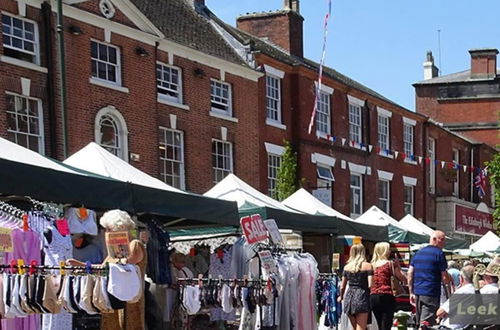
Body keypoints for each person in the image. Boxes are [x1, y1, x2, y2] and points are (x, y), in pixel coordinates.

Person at [67, 210, 147, 330]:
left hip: (128, 296)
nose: (106, 233)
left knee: (129, 324)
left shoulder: (134, 244)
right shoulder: (113, 252)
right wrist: (82, 265)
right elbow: (104, 270)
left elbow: (123, 267)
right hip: (111, 295)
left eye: (109, 229)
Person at [408, 230, 450, 328]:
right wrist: (449, 282)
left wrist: (411, 292)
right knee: (426, 324)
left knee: (419, 321)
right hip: (431, 292)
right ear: (435, 239)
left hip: (418, 292)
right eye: (442, 240)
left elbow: (410, 273)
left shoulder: (417, 253)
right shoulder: (439, 254)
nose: (444, 243)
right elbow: (444, 277)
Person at [370, 242, 408, 330]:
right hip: (387, 295)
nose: (390, 251)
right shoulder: (390, 263)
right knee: (386, 324)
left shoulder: (371, 265)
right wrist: (399, 266)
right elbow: (403, 278)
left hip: (373, 296)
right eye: (389, 249)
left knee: (378, 324)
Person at [338, 243, 373, 330]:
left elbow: (342, 286)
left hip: (349, 298)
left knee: (355, 328)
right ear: (363, 252)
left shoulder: (346, 267)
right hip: (362, 297)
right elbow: (370, 284)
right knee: (361, 328)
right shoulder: (368, 266)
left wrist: (341, 297)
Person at [436, 265, 475, 329]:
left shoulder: (462, 292)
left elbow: (439, 313)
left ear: (461, 278)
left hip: (452, 327)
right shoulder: (479, 291)